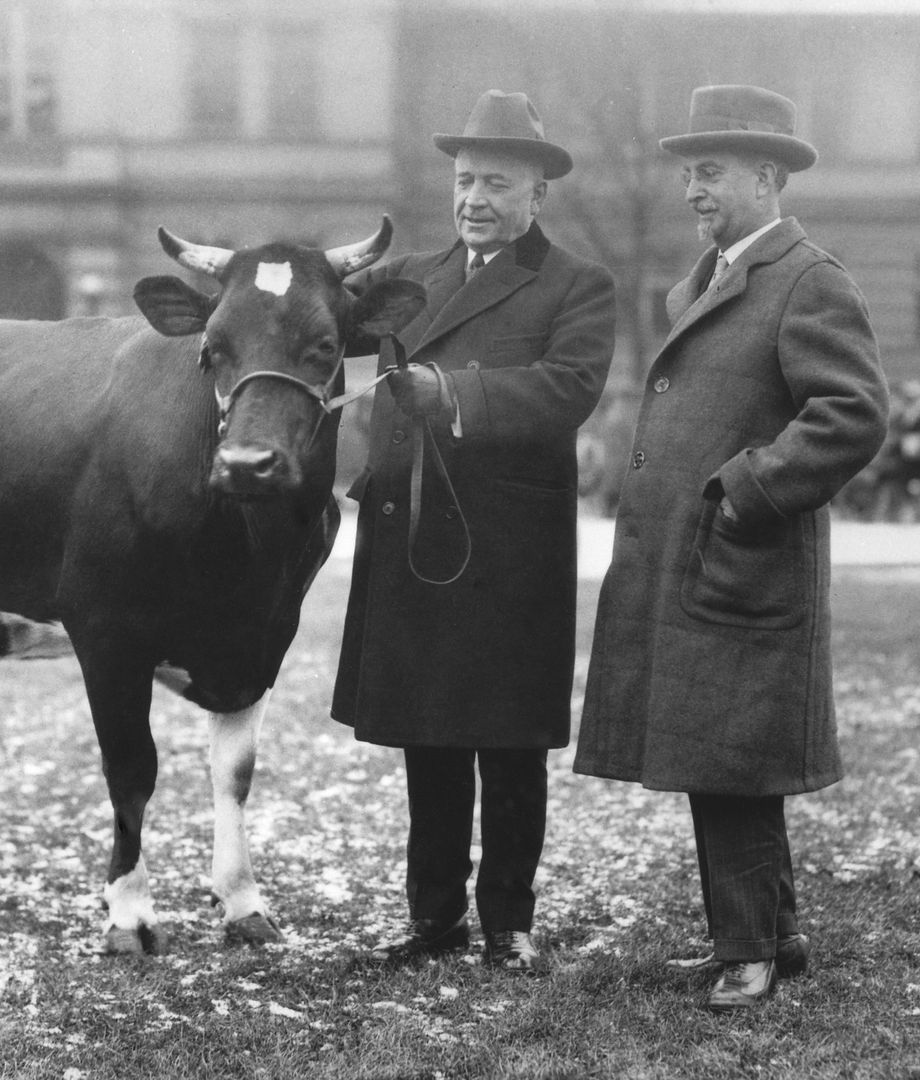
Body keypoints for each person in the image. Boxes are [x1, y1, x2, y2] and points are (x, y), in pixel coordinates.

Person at [573, 85, 889, 1010]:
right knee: (719, 750)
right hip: (703, 564)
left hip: (744, 559)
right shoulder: (719, 277)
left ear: (766, 175)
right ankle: (772, 938)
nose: (691, 191)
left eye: (708, 172)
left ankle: (746, 951)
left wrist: (746, 489)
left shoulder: (808, 279)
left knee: (732, 758)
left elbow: (855, 415)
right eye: (687, 173)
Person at [333, 89, 616, 972]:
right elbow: (315, 332)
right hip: (416, 540)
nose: (475, 199)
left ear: (538, 195)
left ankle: (507, 922)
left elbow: (568, 389)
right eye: (464, 180)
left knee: (510, 743)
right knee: (430, 735)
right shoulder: (409, 280)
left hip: (509, 549)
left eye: (496, 182)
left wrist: (454, 393)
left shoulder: (578, 284)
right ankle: (434, 918)